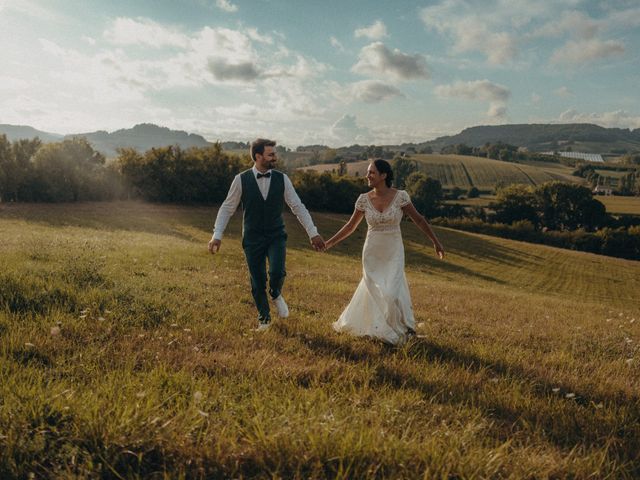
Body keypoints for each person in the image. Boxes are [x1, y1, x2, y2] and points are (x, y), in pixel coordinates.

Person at [208, 138, 326, 331]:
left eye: (274, 154)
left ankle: (276, 293)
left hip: (276, 235)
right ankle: (264, 320)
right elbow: (227, 208)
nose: (275, 157)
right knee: (257, 280)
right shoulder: (241, 179)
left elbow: (298, 207)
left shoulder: (282, 179)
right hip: (252, 238)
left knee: (277, 271)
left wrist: (313, 233)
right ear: (258, 156)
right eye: (271, 154)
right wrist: (217, 234)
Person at [325, 159, 445, 345]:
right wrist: (329, 243)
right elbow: (350, 227)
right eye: (368, 172)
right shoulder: (363, 199)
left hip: (393, 251)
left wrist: (435, 242)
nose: (367, 176)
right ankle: (377, 328)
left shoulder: (401, 197)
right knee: (375, 289)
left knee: (391, 292)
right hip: (372, 252)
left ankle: (398, 328)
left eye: (372, 172)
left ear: (384, 175)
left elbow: (419, 220)